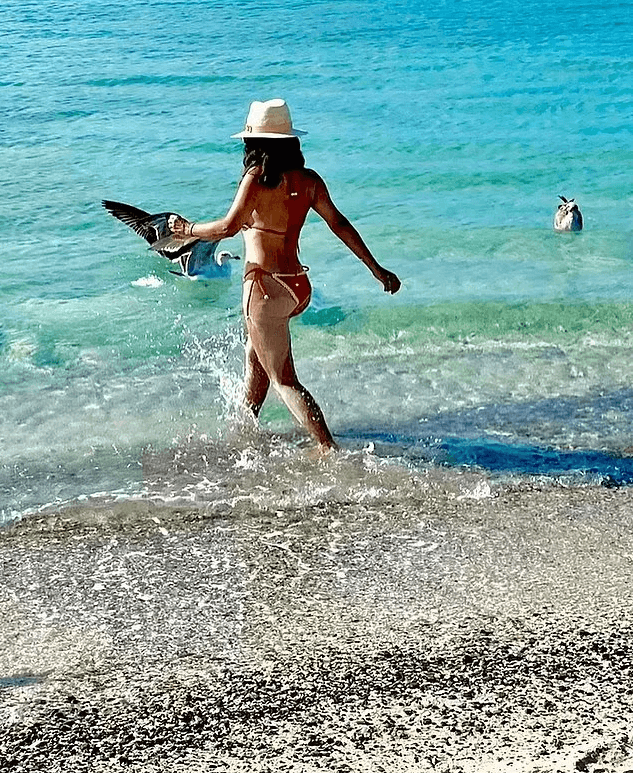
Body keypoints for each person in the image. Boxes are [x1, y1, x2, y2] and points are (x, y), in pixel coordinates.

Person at [171, 98, 401, 453]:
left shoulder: (256, 181)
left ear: (254, 144)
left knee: (285, 380)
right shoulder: (309, 181)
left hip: (264, 288)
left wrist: (188, 229)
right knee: (256, 355)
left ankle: (328, 449)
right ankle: (246, 429)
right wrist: (376, 268)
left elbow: (229, 227)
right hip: (297, 286)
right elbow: (339, 224)